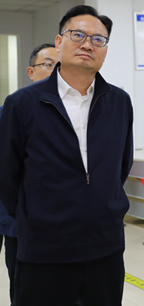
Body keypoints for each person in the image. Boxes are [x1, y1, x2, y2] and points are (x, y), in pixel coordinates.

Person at [0, 5, 134, 306]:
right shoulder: (22, 103)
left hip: (105, 247)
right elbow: (7, 174)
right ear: (59, 42)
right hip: (44, 248)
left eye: (98, 39)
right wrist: (35, 216)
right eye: (78, 35)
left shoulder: (119, 102)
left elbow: (120, 167)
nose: (88, 44)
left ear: (105, 50)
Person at [0, 43, 59, 305]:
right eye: (48, 65)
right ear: (31, 72)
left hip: (51, 220)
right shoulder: (11, 109)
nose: (55, 71)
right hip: (14, 215)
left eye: (60, 65)